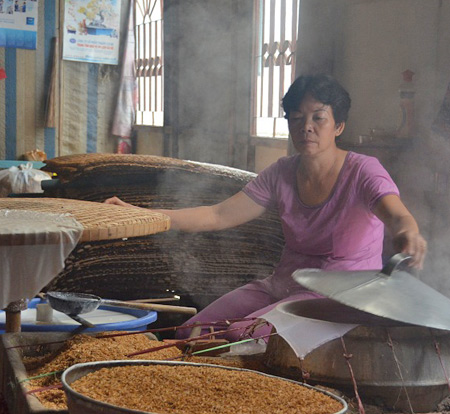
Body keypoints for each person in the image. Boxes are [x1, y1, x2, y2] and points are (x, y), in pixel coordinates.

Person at [105, 74, 427, 342]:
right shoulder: (282, 172)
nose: (307, 128)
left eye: (319, 118)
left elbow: (396, 214)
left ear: (338, 125)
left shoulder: (362, 171)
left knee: (239, 336)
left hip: (341, 295)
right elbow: (218, 214)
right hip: (284, 283)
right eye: (297, 118)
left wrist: (408, 233)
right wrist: (145, 215)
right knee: (191, 330)